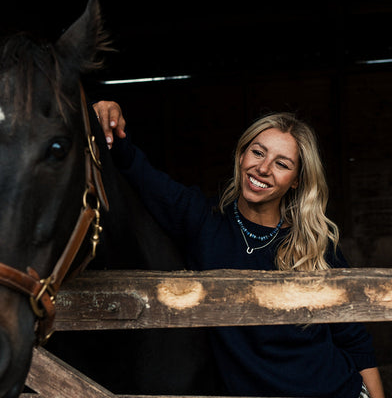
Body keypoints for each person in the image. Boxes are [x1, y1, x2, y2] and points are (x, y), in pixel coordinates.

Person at [93, 101, 385, 398]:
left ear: (296, 181)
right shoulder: (201, 219)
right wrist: (104, 118)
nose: (263, 168)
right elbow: (136, 168)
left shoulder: (313, 244)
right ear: (241, 154)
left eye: (282, 164)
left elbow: (354, 340)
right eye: (258, 152)